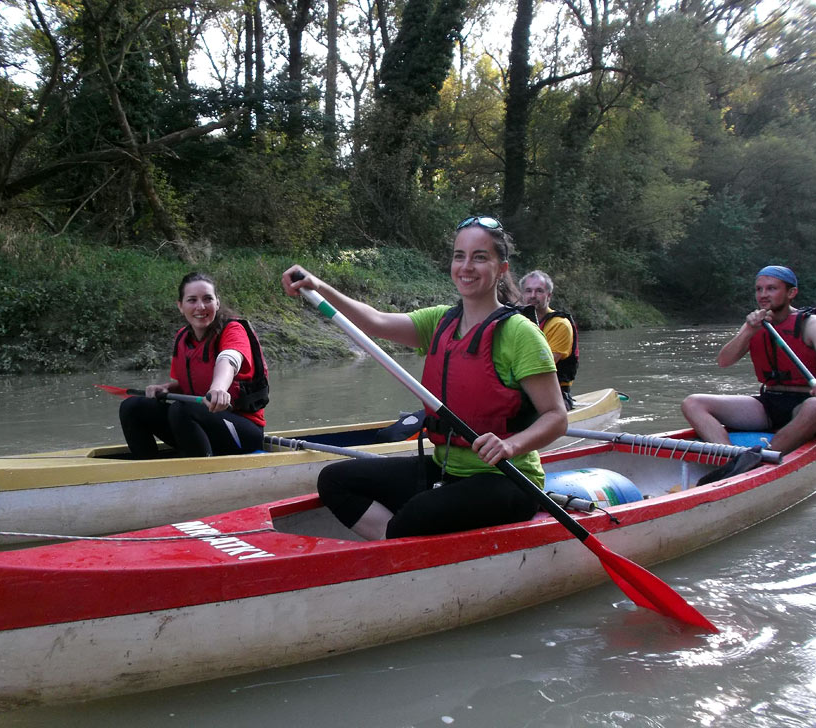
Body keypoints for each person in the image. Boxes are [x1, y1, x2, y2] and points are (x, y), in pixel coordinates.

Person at [282, 215, 568, 540]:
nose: (466, 266)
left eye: (480, 257)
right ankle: (396, 545)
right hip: (448, 468)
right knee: (335, 480)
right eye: (460, 256)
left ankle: (401, 542)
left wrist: (509, 444)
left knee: (416, 514)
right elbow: (374, 321)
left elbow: (557, 418)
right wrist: (318, 287)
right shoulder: (439, 321)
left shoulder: (521, 334)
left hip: (508, 479)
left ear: (501, 268)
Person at [681, 265, 816, 454]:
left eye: (771, 288)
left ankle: (761, 458)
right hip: (769, 402)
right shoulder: (755, 324)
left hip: (808, 402)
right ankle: (730, 456)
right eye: (759, 289)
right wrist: (750, 331)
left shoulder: (812, 323)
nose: (763, 294)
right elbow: (724, 361)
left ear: (791, 292)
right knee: (693, 403)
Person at [119, 272, 269, 459]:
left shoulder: (232, 329)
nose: (200, 306)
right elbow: (187, 385)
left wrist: (218, 389)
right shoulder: (182, 337)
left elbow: (229, 359)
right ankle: (148, 472)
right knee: (133, 406)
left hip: (242, 431)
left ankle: (202, 473)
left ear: (217, 303)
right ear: (180, 306)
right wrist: (165, 388)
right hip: (197, 422)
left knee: (181, 409)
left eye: (208, 299)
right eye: (192, 300)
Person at [519, 270, 579, 410]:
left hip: (555, 395)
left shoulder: (560, 324)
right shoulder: (516, 321)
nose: (533, 296)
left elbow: (544, 365)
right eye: (528, 291)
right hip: (521, 391)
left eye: (539, 291)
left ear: (549, 296)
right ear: (522, 295)